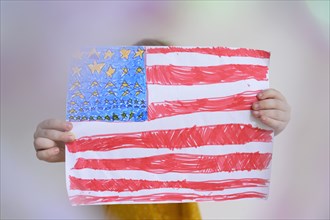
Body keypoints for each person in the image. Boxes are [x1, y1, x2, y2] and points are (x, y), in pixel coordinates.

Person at [33, 39, 291, 220]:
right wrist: (66, 149)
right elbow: (86, 146)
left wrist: (271, 118)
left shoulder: (197, 137)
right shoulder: (105, 142)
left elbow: (239, 130)